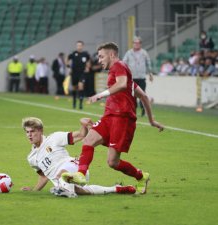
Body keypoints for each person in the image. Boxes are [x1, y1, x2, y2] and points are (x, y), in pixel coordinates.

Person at [62, 42, 164, 194]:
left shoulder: (119, 66)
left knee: (112, 162)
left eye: (102, 56)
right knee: (88, 140)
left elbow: (122, 84)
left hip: (122, 119)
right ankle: (81, 175)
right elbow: (143, 96)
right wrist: (151, 120)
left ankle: (142, 176)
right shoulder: (123, 75)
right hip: (109, 117)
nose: (99, 60)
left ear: (112, 55)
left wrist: (100, 95)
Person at [21, 117, 136, 197]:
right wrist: (34, 191)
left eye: (32, 131)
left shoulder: (54, 138)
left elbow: (81, 135)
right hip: (60, 181)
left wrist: (83, 124)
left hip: (73, 167)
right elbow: (43, 177)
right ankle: (116, 189)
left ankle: (66, 190)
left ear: (41, 131)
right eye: (27, 132)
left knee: (62, 174)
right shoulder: (31, 158)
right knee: (80, 191)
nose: (29, 135)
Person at [123, 36, 153, 116]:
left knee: (142, 95)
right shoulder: (129, 53)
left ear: (140, 44)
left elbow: (148, 63)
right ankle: (133, 111)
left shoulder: (144, 53)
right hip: (132, 78)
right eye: (135, 43)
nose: (136, 44)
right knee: (132, 96)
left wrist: (150, 73)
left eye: (138, 43)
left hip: (141, 78)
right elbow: (124, 62)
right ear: (133, 44)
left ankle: (143, 109)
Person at [67, 40, 90, 109]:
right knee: (74, 88)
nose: (79, 47)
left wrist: (87, 67)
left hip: (82, 73)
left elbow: (88, 61)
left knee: (81, 86)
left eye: (80, 45)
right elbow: (67, 59)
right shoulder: (73, 53)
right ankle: (74, 102)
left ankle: (80, 104)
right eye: (78, 45)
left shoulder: (85, 54)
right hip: (74, 73)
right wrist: (68, 67)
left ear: (82, 46)